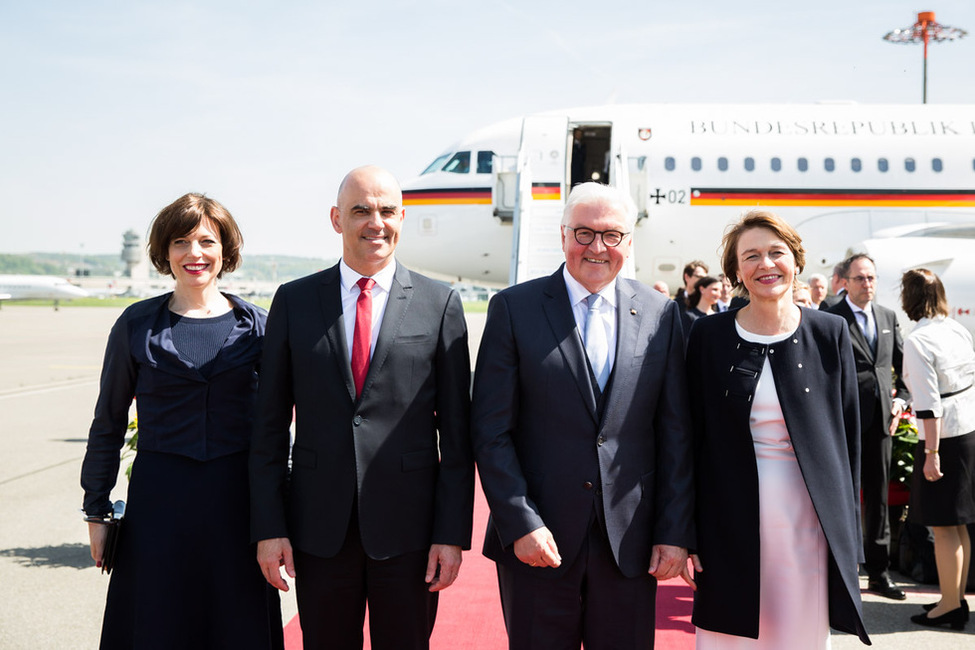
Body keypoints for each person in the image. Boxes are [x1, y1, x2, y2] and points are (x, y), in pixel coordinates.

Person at [249, 166, 474, 650]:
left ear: (402, 217)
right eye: (360, 210)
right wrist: (269, 527)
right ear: (336, 219)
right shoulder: (294, 301)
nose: (376, 222)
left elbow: (458, 436)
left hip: (410, 533)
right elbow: (267, 427)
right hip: (318, 530)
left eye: (387, 210)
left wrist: (450, 533)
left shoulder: (441, 303)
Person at [471, 182, 694, 649]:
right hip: (538, 543)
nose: (598, 247)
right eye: (584, 233)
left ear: (629, 242)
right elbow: (491, 431)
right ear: (563, 234)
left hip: (629, 546)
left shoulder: (660, 314)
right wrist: (520, 522)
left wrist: (673, 531)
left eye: (612, 235)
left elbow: (675, 432)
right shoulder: (514, 309)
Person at [80, 193, 283, 649]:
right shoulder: (135, 325)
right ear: (164, 252)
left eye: (207, 241)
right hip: (159, 507)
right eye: (181, 242)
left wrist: (279, 518)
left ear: (225, 251)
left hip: (238, 506)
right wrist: (96, 507)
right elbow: (108, 421)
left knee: (238, 625)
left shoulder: (259, 327)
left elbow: (276, 430)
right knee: (157, 623)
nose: (195, 254)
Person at [685, 209, 870, 647]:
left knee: (797, 635)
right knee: (728, 636)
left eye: (776, 253)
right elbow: (690, 440)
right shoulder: (707, 336)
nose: (765, 265)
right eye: (751, 256)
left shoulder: (831, 332)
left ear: (796, 260)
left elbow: (849, 441)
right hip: (726, 521)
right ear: (735, 272)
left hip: (807, 523)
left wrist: (850, 537)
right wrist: (685, 532)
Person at [827, 253, 910, 600]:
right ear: (845, 281)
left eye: (872, 278)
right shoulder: (830, 318)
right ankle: (842, 572)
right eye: (861, 278)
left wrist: (902, 401)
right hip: (841, 421)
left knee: (877, 496)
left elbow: (905, 370)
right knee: (841, 495)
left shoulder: (888, 317)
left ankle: (878, 572)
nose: (868, 284)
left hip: (880, 422)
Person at [899, 268, 975, 631]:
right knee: (958, 524)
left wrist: (931, 454)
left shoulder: (919, 340)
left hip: (941, 437)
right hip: (968, 430)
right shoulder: (955, 328)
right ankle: (953, 597)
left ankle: (949, 605)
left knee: (944, 526)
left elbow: (928, 403)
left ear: (909, 298)